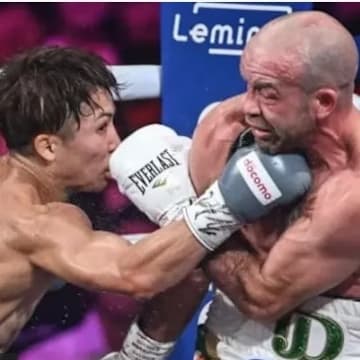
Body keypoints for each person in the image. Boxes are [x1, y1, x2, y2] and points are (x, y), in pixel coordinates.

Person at [0, 46, 309, 353]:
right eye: (102, 127)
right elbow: (136, 274)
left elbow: (178, 269)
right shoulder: (35, 222)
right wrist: (224, 202)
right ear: (48, 147)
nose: (115, 142)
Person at [105, 10, 360, 360]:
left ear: (323, 102)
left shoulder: (351, 190)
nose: (250, 107)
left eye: (268, 93)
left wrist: (186, 210)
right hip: (224, 345)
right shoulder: (226, 130)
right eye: (248, 86)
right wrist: (138, 356)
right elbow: (190, 264)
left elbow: (263, 297)